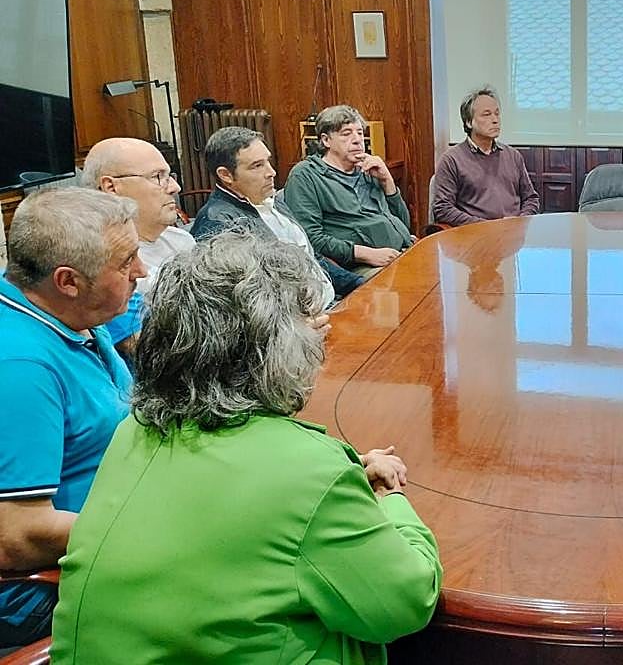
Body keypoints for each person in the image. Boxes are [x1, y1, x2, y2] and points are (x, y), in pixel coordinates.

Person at [50, 232, 442, 663]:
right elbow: (405, 604)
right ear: (276, 354)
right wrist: (392, 501)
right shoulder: (306, 471)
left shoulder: (134, 431)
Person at [0, 188, 142, 648]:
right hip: (44, 589)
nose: (140, 272)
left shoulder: (70, 316)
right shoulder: (22, 367)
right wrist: (162, 525)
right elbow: (16, 535)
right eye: (126, 264)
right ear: (68, 281)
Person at [190, 126, 363, 305]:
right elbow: (250, 301)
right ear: (226, 175)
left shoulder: (270, 198)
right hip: (299, 322)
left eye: (267, 161)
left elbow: (312, 259)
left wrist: (356, 284)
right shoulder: (219, 224)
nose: (271, 172)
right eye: (257, 166)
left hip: (329, 301)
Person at [80, 137, 195, 349]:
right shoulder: (101, 263)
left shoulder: (181, 240)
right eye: (158, 177)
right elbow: (155, 354)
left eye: (170, 176)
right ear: (111, 187)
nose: (175, 187)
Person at [285, 104, 415, 276]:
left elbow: (403, 223)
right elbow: (310, 237)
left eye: (360, 133)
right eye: (346, 134)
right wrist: (365, 254)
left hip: (403, 250)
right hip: (359, 265)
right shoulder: (305, 175)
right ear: (326, 140)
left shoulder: (368, 168)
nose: (357, 140)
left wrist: (387, 181)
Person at [433, 86, 539, 226]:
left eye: (497, 113)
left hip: (513, 235)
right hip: (475, 236)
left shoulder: (513, 156)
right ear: (468, 122)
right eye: (486, 114)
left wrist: (519, 221)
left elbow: (531, 198)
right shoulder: (452, 159)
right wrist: (486, 226)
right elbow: (442, 208)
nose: (495, 120)